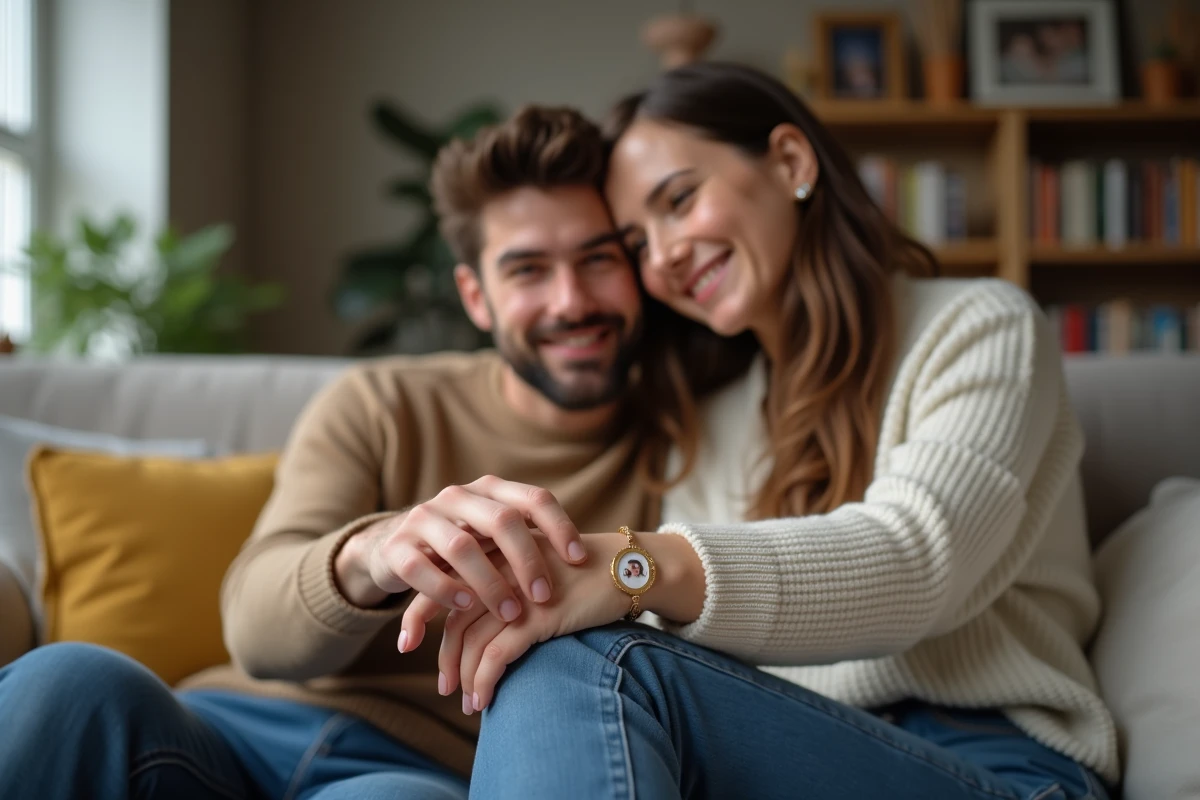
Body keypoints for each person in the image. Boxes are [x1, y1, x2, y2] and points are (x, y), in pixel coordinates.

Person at [401, 63, 1118, 799]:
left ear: (790, 162)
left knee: (589, 665)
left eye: (679, 200)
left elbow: (916, 561)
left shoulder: (981, 327)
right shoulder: (709, 414)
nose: (666, 255)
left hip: (998, 765)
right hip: (791, 750)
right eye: (639, 243)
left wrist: (629, 566)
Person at [0, 106, 662, 800]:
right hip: (225, 731)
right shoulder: (382, 402)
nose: (571, 301)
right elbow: (253, 627)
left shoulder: (694, 440)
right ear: (476, 296)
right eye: (528, 270)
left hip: (422, 773)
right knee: (65, 684)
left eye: (598, 259)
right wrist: (370, 554)